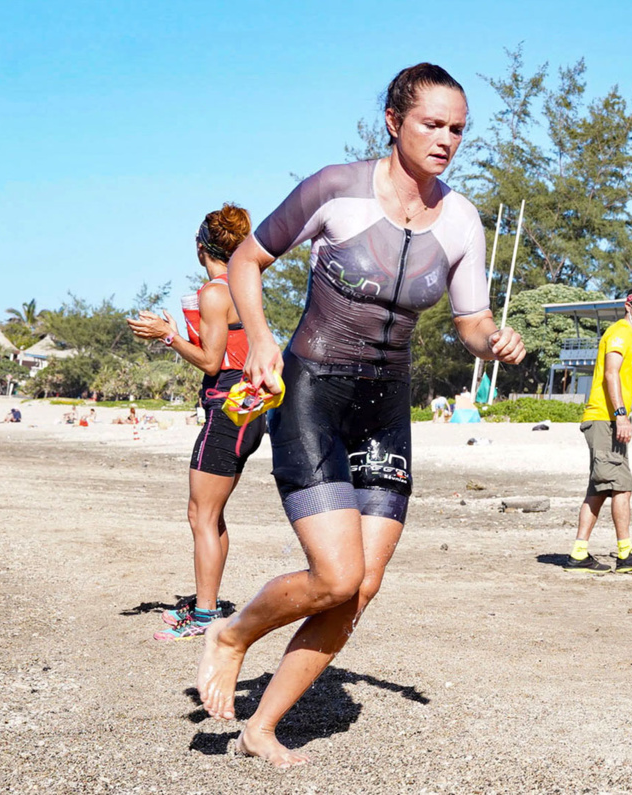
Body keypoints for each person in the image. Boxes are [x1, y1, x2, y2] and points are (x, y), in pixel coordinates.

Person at [196, 63, 526, 767]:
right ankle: (230, 633)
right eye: (432, 124)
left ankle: (262, 726)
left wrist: (493, 338)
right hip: (314, 391)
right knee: (335, 574)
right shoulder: (334, 189)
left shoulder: (462, 219)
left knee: (361, 586)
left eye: (458, 128)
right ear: (393, 120)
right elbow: (249, 262)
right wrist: (259, 339)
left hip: (385, 407)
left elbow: (471, 321)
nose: (445, 140)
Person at [128, 204, 266, 640]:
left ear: (200, 245)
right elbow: (224, 350)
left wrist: (167, 337)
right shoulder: (242, 285)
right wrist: (178, 332)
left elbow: (210, 361)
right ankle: (208, 602)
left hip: (227, 409)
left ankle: (205, 616)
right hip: (245, 409)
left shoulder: (214, 293)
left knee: (200, 515)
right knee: (211, 514)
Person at [564, 286, 632, 574]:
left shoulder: (626, 334)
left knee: (599, 488)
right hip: (606, 419)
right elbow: (611, 373)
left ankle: (579, 553)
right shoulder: (621, 332)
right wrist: (621, 414)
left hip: (603, 419)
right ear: (629, 305)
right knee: (622, 485)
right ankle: (625, 552)